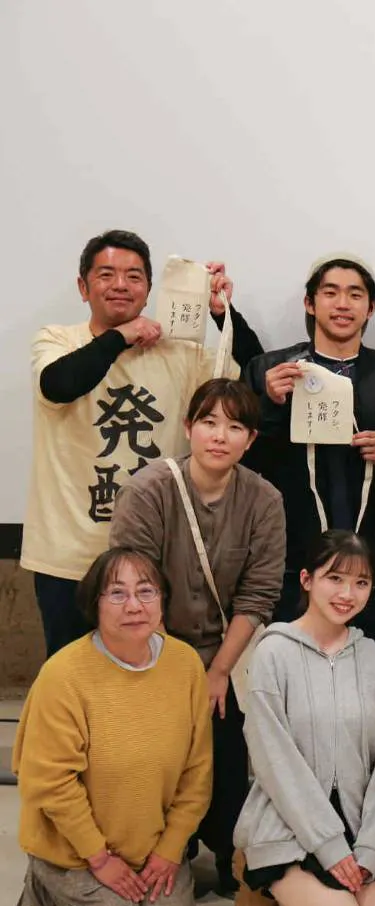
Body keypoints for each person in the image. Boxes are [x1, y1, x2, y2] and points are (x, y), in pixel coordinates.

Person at [23, 230, 262, 655]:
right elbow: (59, 384)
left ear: (149, 289)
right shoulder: (58, 341)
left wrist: (223, 314)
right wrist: (122, 336)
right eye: (106, 274)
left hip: (152, 559)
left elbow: (253, 375)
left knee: (148, 679)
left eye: (134, 276)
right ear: (83, 287)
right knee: (73, 678)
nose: (120, 285)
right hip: (67, 558)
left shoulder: (180, 353)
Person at [109, 379, 286, 898]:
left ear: (250, 440)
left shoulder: (264, 499)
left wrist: (218, 671)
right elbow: (135, 589)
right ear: (188, 428)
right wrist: (180, 672)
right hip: (151, 646)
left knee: (227, 745)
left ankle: (229, 847)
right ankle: (169, 848)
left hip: (229, 651)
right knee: (162, 751)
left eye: (234, 426)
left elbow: (258, 594)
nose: (219, 436)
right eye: (208, 422)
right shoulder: (149, 490)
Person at [12, 548, 211, 906]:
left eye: (146, 591)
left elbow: (197, 771)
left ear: (162, 599)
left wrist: (170, 849)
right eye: (117, 593)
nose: (134, 605)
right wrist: (99, 858)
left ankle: (122, 903)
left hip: (149, 844)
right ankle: (37, 901)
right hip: (75, 848)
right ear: (95, 604)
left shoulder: (186, 665)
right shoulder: (64, 675)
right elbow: (51, 782)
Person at [232, 530, 375, 906]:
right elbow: (275, 764)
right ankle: (262, 884)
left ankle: (333, 899)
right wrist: (329, 847)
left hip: (359, 827)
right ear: (307, 580)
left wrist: (372, 849)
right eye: (335, 578)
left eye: (361, 582)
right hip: (290, 829)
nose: (347, 594)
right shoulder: (273, 653)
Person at [241, 254, 375, 663]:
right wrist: (268, 403)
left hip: (374, 570)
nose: (342, 304)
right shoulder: (269, 371)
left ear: (370, 308)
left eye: (355, 295)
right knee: (289, 679)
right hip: (290, 565)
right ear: (310, 304)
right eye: (330, 293)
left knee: (374, 679)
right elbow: (242, 461)